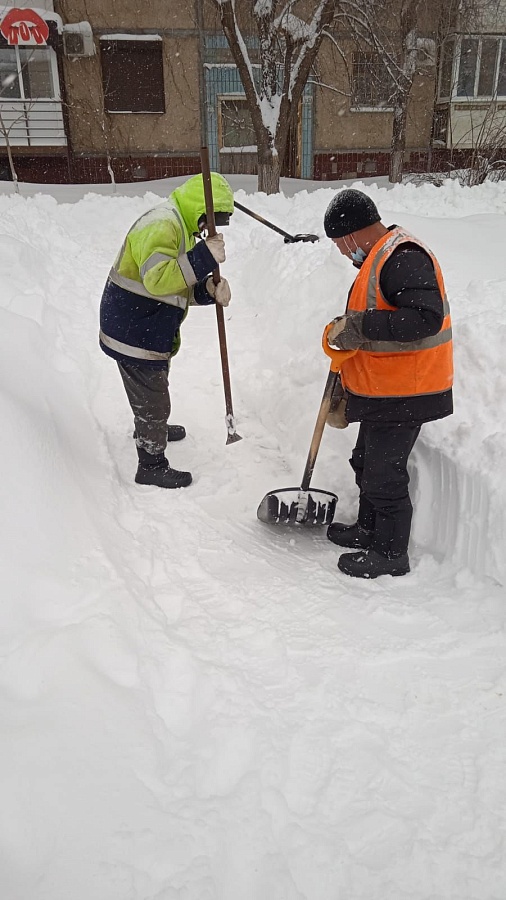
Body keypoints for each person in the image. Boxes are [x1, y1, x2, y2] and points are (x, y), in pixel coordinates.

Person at [322, 189, 453, 578]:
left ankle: (391, 553)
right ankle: (368, 530)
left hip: (409, 391)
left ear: (351, 233)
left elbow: (425, 319)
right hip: (387, 388)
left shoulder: (403, 256)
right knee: (365, 463)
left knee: (384, 474)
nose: (345, 255)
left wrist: (360, 328)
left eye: (341, 246)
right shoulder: (384, 255)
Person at [99, 172, 234, 489]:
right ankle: (151, 464)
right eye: (208, 221)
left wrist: (206, 290)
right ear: (200, 209)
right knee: (154, 399)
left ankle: (151, 428)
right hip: (134, 329)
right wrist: (203, 258)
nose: (206, 230)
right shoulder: (163, 224)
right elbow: (157, 280)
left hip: (147, 325)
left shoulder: (181, 227)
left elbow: (175, 285)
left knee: (153, 389)